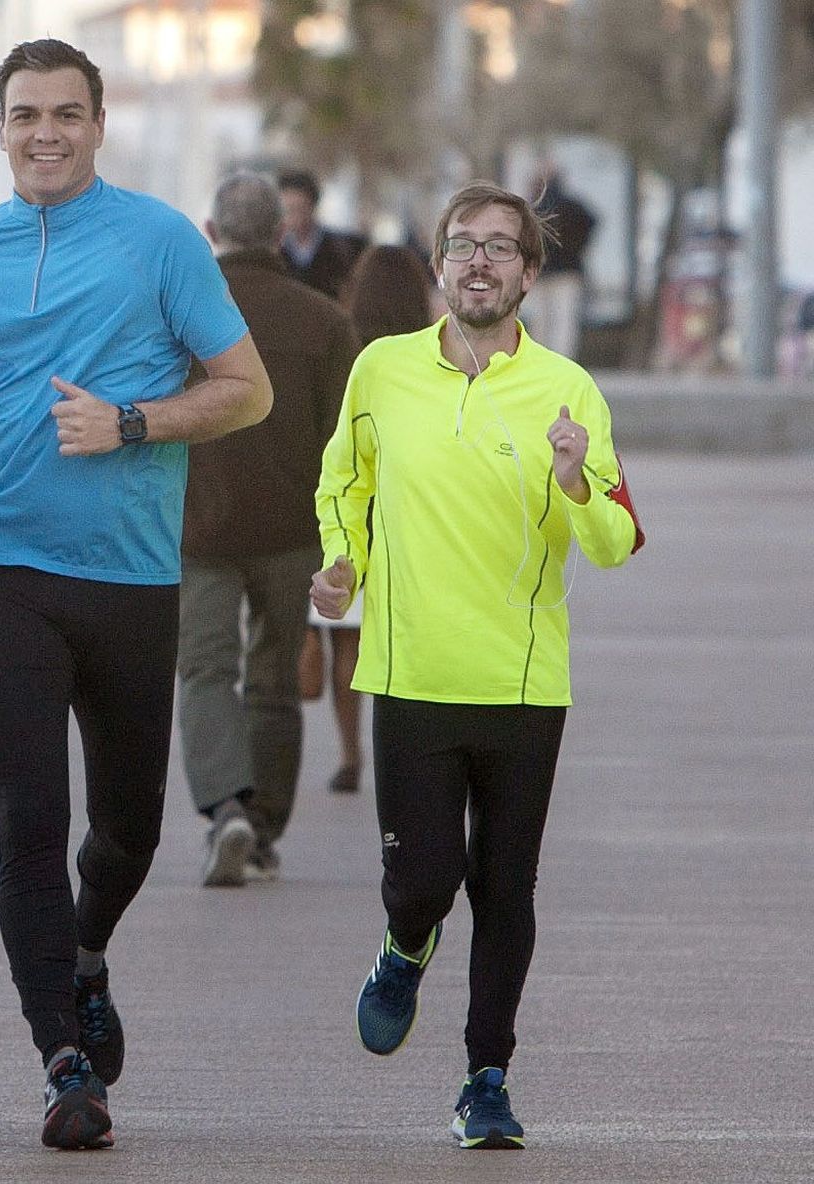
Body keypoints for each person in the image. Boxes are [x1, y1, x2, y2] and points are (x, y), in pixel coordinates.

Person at [0, 39, 271, 1151]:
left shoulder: (159, 240)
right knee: (27, 823)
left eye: (65, 113)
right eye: (24, 116)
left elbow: (242, 390)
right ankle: (63, 1061)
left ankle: (89, 948)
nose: (44, 133)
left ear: (99, 122)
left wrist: (133, 421)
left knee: (130, 828)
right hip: (1, 567)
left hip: (131, 575)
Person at [311, 181, 643, 1150]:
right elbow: (345, 481)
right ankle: (404, 942)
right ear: (439, 264)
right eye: (462, 245)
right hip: (410, 670)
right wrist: (342, 563)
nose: (480, 262)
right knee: (423, 879)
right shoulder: (380, 371)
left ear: (530, 275)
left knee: (505, 887)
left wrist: (579, 478)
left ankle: (484, 1079)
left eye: (501, 248)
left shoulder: (569, 390)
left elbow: (618, 537)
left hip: (522, 683)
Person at [178, 171, 358, 887]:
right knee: (276, 679)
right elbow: (346, 436)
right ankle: (266, 828)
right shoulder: (324, 321)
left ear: (214, 233)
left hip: (198, 528)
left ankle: (227, 809)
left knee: (204, 670)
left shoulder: (183, 315)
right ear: (281, 233)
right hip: (294, 530)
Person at [305, 244, 435, 797]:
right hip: (410, 516)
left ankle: (352, 751)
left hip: (350, 513)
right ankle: (398, 749)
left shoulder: (344, 348)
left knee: (347, 647)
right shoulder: (425, 359)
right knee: (402, 644)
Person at [525, 163, 597, 359]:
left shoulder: (532, 210)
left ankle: (541, 361)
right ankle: (563, 362)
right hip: (568, 271)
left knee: (541, 321)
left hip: (541, 272)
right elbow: (592, 221)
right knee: (564, 322)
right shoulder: (572, 206)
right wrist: (579, 247)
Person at [275, 168, 367, 300]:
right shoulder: (276, 252)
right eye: (288, 209)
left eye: (299, 208)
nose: (293, 216)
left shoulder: (344, 249)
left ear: (312, 205)